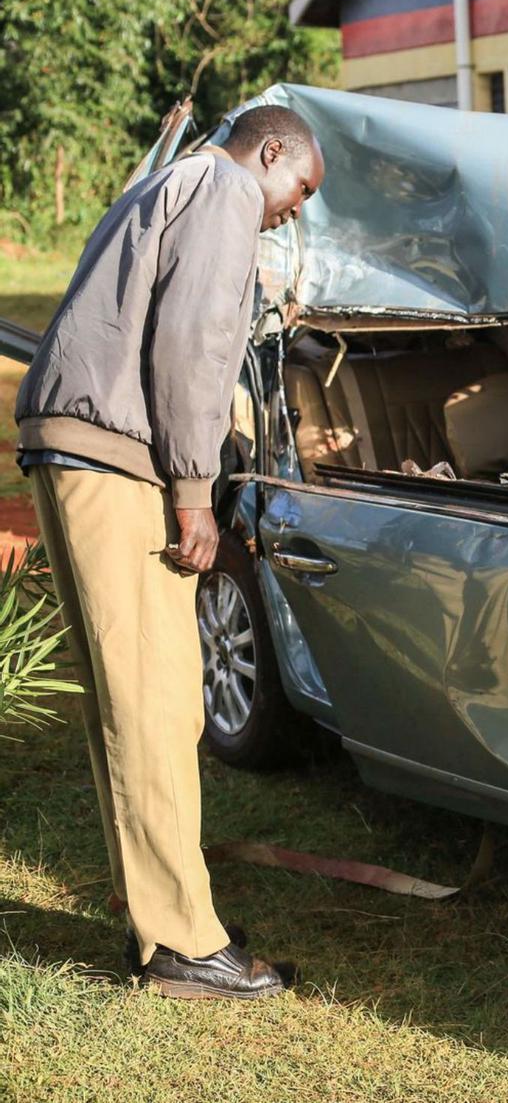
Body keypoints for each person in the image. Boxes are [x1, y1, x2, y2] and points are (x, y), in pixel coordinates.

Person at [14, 104, 325, 999]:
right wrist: (195, 493)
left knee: (128, 701)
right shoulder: (225, 189)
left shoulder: (165, 180)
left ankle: (156, 922)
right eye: (298, 188)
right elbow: (190, 346)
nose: (291, 211)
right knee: (157, 704)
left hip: (68, 441)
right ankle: (186, 941)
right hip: (117, 459)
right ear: (271, 152)